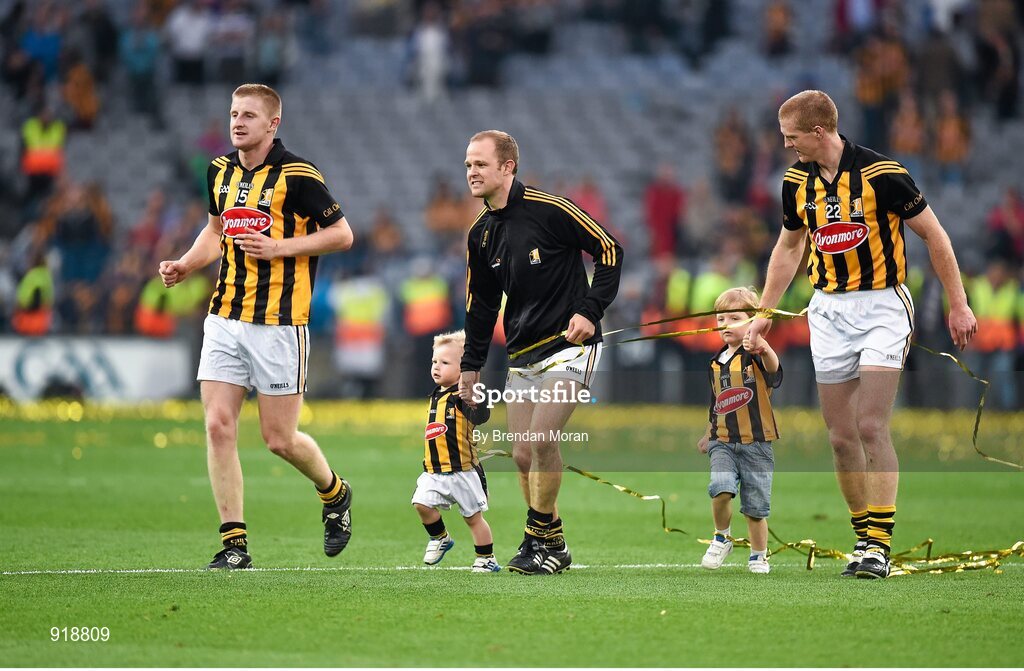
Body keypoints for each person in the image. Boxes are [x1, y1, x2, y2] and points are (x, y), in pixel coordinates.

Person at [746, 90, 977, 579]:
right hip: (827, 310)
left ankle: (879, 545)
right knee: (840, 437)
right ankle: (861, 535)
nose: (786, 146)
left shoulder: (883, 174)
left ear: (818, 131)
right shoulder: (794, 183)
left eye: (791, 137)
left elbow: (935, 235)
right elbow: (789, 248)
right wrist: (766, 309)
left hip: (882, 306)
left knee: (872, 425)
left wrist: (958, 303)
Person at [158, 84, 355, 570]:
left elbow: (342, 235)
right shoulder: (219, 170)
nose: (238, 122)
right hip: (224, 317)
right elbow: (216, 230)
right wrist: (186, 264)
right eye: (233, 113)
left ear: (273, 125)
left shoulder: (299, 175)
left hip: (280, 323)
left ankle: (334, 493)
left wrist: (281, 248)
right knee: (218, 425)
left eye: (249, 115)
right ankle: (234, 544)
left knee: (279, 439)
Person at [457, 130, 623, 575]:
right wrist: (471, 365)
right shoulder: (480, 233)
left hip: (572, 348)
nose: (471, 171)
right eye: (468, 164)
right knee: (524, 455)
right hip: (522, 355)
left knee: (543, 439)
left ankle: (537, 539)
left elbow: (610, 249)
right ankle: (552, 542)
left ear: (508, 167)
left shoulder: (551, 209)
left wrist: (590, 310)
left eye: (481, 164)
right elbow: (481, 304)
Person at [697, 287, 781, 575]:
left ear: (752, 321)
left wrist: (764, 347)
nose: (725, 324)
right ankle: (721, 538)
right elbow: (716, 402)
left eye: (734, 317)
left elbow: (774, 370)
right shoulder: (715, 362)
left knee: (755, 509)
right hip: (723, 442)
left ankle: (758, 555)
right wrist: (708, 432)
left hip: (756, 443)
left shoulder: (755, 355)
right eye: (721, 319)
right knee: (720, 489)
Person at [412, 330, 499, 572]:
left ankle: (486, 558)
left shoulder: (463, 396)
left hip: (462, 470)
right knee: (420, 503)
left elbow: (481, 416)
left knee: (473, 518)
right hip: (434, 471)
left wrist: (475, 398)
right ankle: (440, 537)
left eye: (445, 363)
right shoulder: (437, 394)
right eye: (434, 361)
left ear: (463, 369)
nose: (436, 367)